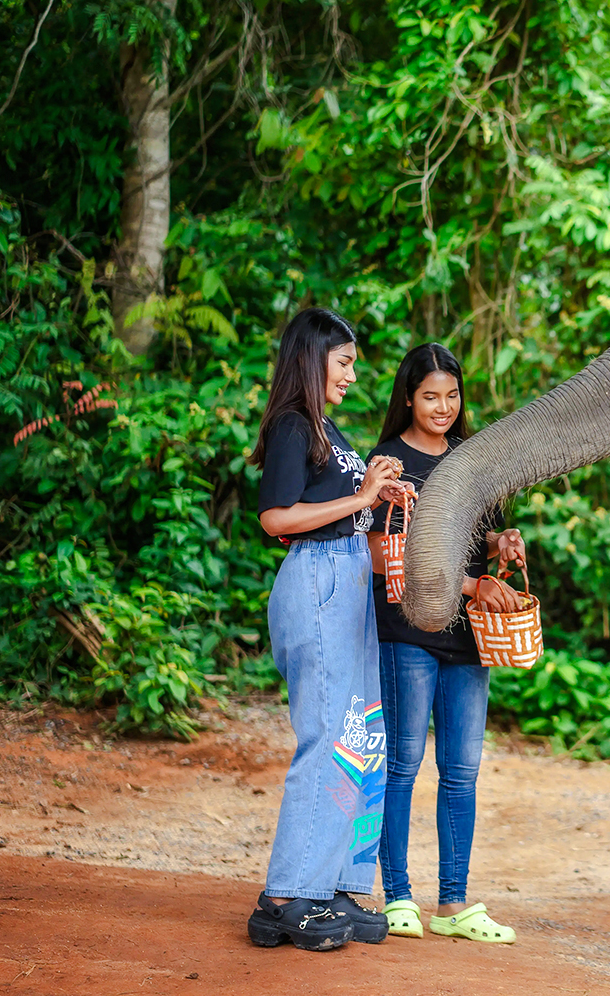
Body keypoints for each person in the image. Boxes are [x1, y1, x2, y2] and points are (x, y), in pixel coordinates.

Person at [246, 307, 412, 952]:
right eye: (343, 362)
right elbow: (277, 517)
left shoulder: (328, 429)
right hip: (317, 582)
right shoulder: (293, 424)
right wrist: (361, 499)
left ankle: (334, 882)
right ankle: (285, 897)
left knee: (359, 735)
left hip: (349, 580)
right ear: (313, 359)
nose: (351, 374)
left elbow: (345, 511)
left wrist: (379, 501)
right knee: (325, 737)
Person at [366, 342, 528, 943]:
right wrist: (470, 583)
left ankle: (454, 902)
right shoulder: (388, 461)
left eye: (452, 395)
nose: (442, 406)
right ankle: (397, 894)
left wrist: (498, 546)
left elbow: (470, 538)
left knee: (461, 772)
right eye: (430, 395)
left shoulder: (470, 459)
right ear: (408, 397)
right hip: (408, 632)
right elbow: (388, 555)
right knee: (403, 765)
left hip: (469, 640)